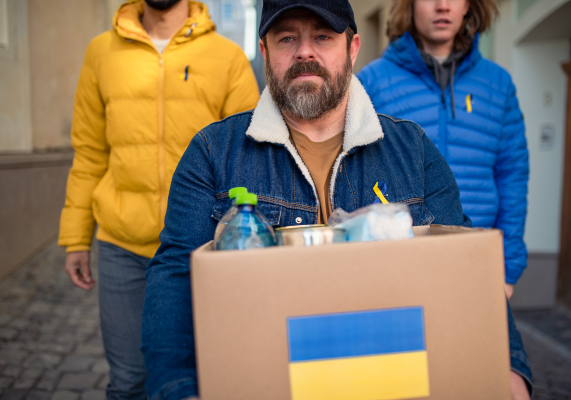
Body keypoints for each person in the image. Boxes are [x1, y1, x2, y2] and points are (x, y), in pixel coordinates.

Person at [141, 0, 532, 399]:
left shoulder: (413, 149)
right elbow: (174, 276)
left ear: (353, 47)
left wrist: (511, 366)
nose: (304, 51)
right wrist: (178, 387)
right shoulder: (213, 152)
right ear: (265, 52)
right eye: (287, 38)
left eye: (323, 36)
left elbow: (465, 262)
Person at [58, 0, 259, 398]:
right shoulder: (101, 52)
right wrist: (76, 237)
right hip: (122, 246)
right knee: (130, 381)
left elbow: (247, 157)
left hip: (198, 247)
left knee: (202, 377)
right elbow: (90, 152)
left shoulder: (228, 57)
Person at [357, 0, 529, 300]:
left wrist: (507, 266)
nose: (443, 5)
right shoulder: (371, 82)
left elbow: (512, 176)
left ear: (469, 6)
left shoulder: (498, 84)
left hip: (477, 258)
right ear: (408, 5)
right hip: (397, 261)